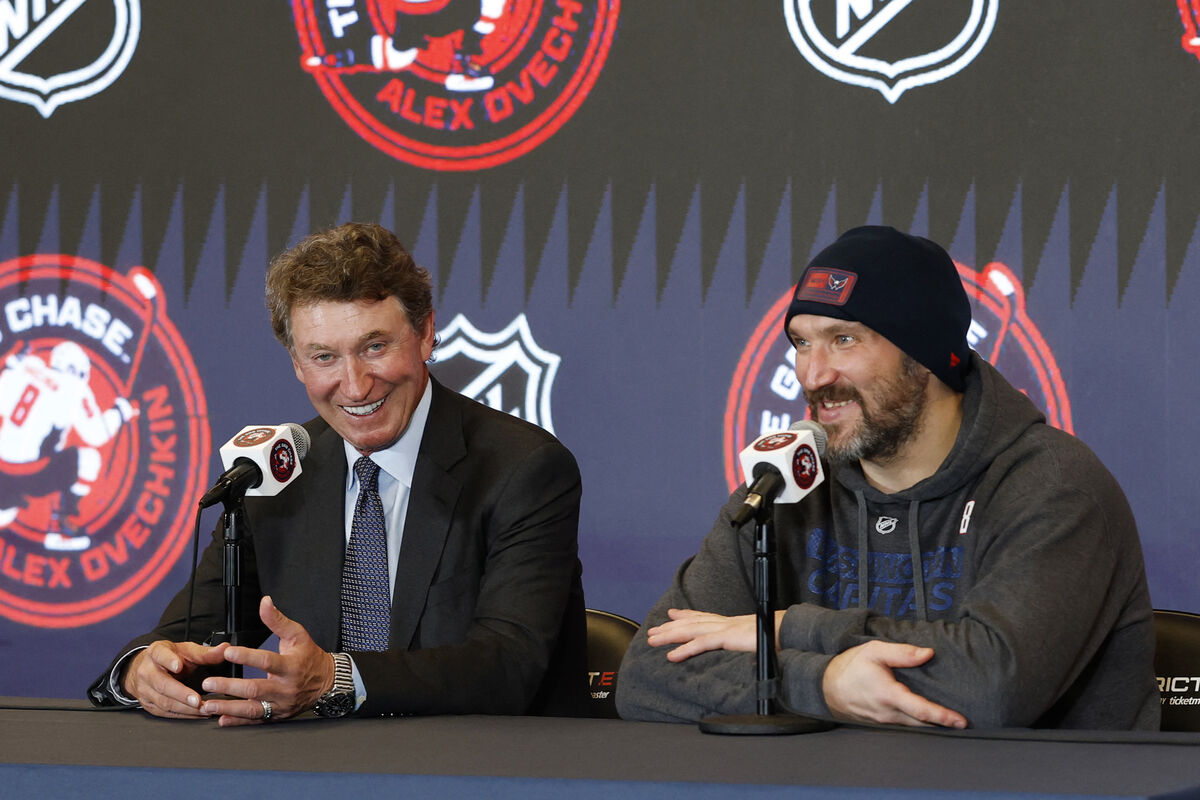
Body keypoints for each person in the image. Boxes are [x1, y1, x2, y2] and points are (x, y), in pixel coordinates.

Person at [616, 225, 1159, 730]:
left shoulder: (1053, 485)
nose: (813, 374)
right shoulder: (788, 485)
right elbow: (647, 675)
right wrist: (822, 685)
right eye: (801, 342)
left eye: (844, 340)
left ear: (924, 357)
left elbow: (991, 688)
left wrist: (786, 630)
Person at [87, 222, 586, 724]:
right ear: (297, 363)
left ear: (425, 334)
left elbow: (509, 666)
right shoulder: (276, 474)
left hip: (488, 760)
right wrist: (141, 671)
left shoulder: (522, 469)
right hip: (320, 763)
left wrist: (337, 679)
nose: (355, 385)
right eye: (324, 357)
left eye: (375, 347)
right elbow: (187, 640)